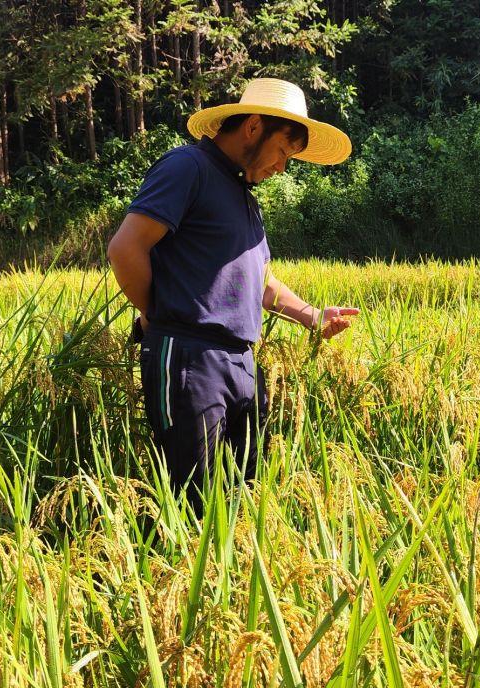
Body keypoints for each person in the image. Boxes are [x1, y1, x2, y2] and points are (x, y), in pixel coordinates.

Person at [107, 77, 359, 514]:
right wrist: (159, 314)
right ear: (254, 127)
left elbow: (257, 279)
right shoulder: (188, 168)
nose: (282, 167)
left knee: (244, 498)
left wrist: (313, 316)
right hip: (190, 359)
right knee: (197, 502)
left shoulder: (244, 198)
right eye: (283, 151)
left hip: (242, 363)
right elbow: (126, 248)